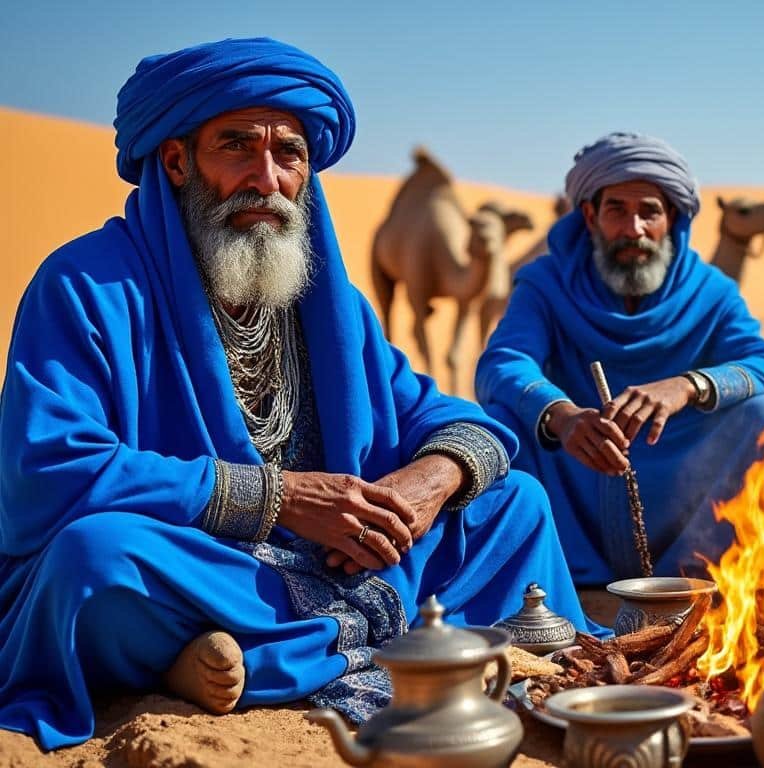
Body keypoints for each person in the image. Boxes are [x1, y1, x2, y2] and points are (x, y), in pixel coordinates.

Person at [0, 38, 595, 750]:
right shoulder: (86, 286)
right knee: (94, 561)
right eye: (238, 147)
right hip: (207, 563)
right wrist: (281, 499)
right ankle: (242, 652)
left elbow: (445, 416)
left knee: (514, 503)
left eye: (289, 154)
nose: (268, 176)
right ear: (177, 161)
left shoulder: (327, 302)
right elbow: (49, 467)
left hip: (341, 557)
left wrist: (424, 484)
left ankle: (235, 658)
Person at [476, 132, 764, 586]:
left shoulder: (711, 292)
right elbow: (502, 363)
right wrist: (563, 417)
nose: (634, 230)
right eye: (616, 211)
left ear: (673, 218)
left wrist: (686, 387)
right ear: (589, 216)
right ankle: (540, 585)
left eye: (649, 212)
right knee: (500, 419)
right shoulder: (545, 284)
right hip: (576, 479)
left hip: (684, 488)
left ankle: (703, 581)